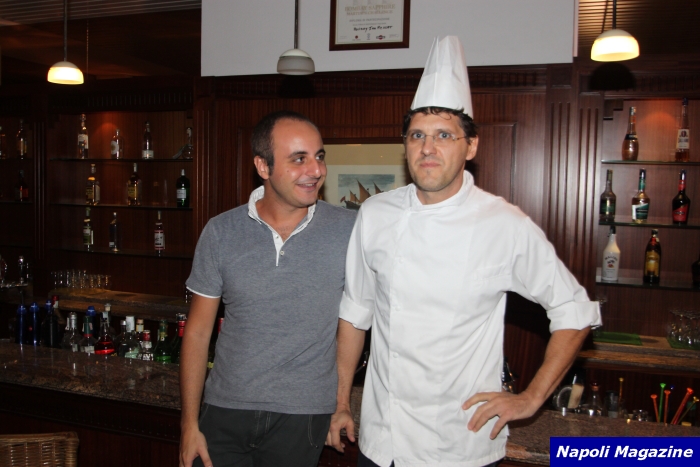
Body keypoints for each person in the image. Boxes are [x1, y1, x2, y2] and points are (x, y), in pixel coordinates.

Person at [327, 37, 602, 467]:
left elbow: (574, 310)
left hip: (457, 445)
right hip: (381, 442)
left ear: (470, 146)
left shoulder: (504, 224)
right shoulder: (376, 213)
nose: (428, 148)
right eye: (417, 135)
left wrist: (531, 398)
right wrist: (341, 402)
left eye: (444, 135)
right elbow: (355, 311)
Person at [180, 110, 356, 467]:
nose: (316, 170)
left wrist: (341, 404)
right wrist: (188, 424)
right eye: (299, 159)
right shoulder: (221, 231)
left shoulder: (350, 230)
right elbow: (197, 333)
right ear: (263, 166)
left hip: (302, 417)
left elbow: (353, 322)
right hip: (224, 410)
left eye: (319, 156)